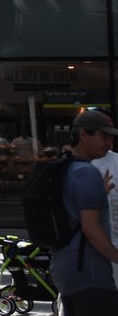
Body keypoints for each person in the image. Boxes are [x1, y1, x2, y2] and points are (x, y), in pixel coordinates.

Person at [53, 109, 118, 313]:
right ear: (83, 135)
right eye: (103, 136)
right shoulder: (86, 172)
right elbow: (91, 228)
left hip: (65, 270)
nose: (108, 143)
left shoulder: (61, 167)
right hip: (90, 273)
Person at [91, 122, 118, 288]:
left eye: (111, 137)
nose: (108, 142)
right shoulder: (73, 167)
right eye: (104, 136)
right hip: (88, 255)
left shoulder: (115, 162)